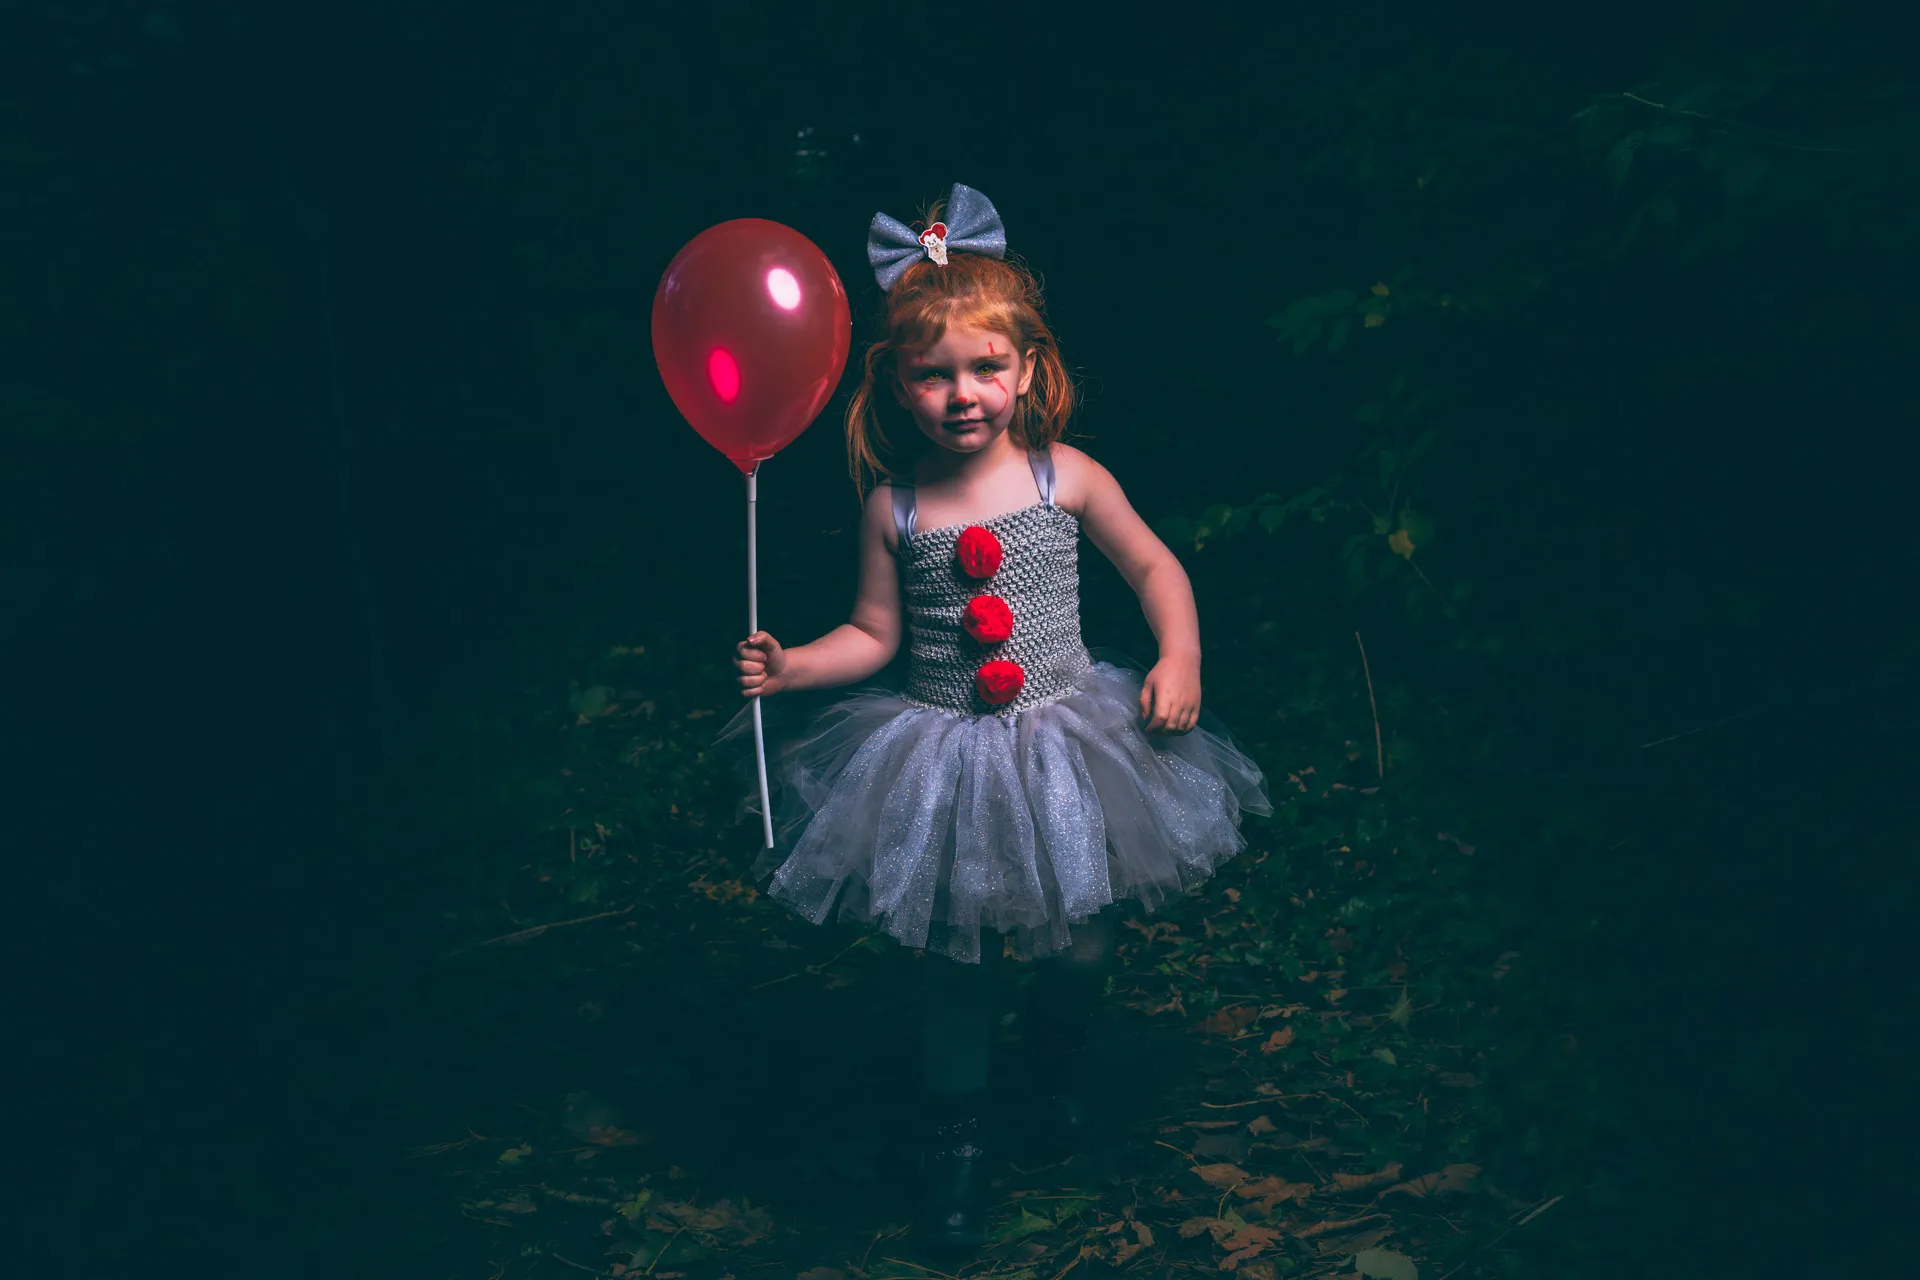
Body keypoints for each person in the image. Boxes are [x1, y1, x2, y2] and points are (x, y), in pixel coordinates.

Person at [720, 183, 1270, 1249]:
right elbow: (873, 633)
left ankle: (1056, 1061)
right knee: (958, 961)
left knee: (1081, 940)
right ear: (897, 382)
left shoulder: (1066, 477)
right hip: (943, 758)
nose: (961, 394)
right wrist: (794, 667)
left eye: (985, 368)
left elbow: (1155, 566)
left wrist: (1181, 653)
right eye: (933, 374)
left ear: (1026, 369)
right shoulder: (895, 506)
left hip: (1069, 740)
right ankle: (957, 1142)